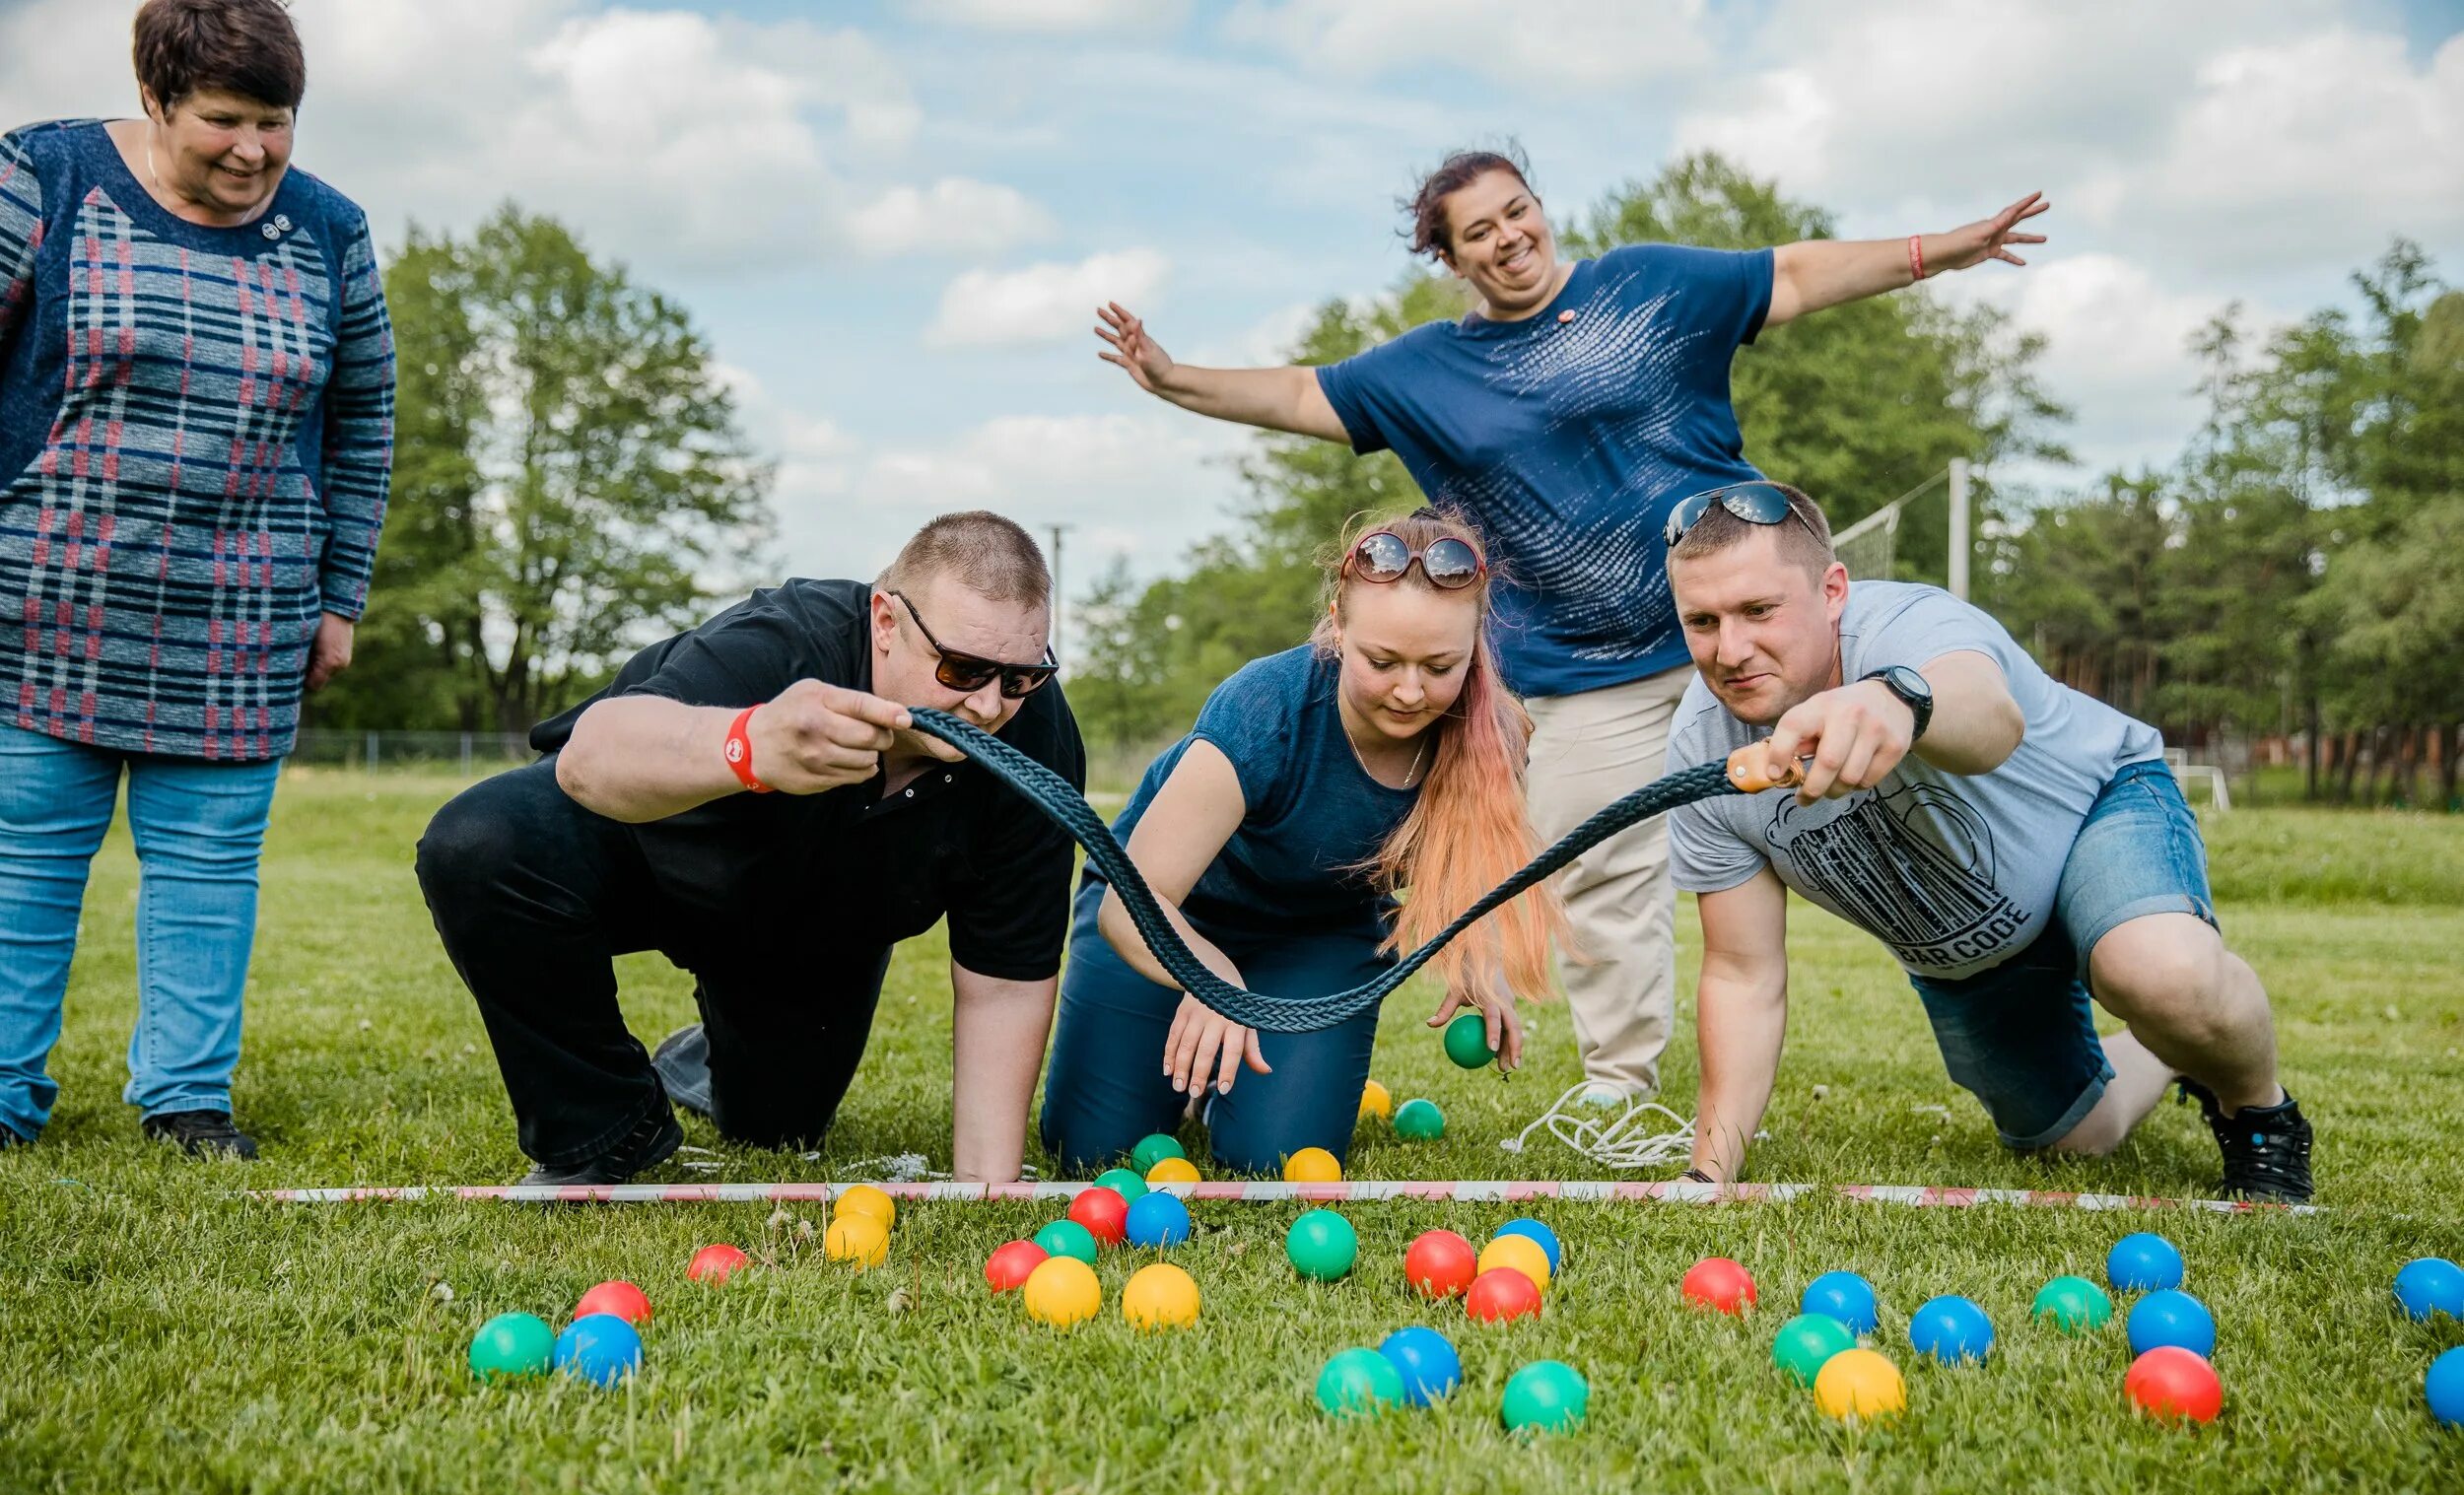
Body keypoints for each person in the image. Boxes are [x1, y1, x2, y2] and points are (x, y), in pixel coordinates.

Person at [1095, 147, 2047, 1116]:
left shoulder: (1652, 285)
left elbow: (1794, 275)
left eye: (1516, 212)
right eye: (1478, 232)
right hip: (1591, 676)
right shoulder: (1425, 370)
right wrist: (1174, 379)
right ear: (1452, 259)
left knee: (1895, 768)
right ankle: (1617, 1088)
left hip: (1743, 632)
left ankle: (2045, 906)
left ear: (1539, 209)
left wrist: (1940, 250)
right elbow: (1302, 393)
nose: (1508, 238)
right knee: (1597, 867)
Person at [1659, 480, 2312, 1202]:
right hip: (1974, 952)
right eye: (1703, 621)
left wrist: (1900, 700)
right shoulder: (1701, 756)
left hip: (2098, 810)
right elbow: (1743, 975)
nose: (1731, 649)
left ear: (1833, 590)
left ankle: (2259, 1109)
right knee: (2078, 1135)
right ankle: (2176, 1047)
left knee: (2159, 971)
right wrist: (1709, 1171)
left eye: (1758, 610)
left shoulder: (1910, 627)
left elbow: (1989, 717)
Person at [0, 0, 394, 1157]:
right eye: (223, 119)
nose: (253, 150)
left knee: (210, 872)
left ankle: (185, 1101)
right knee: (22, 865)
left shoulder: (330, 229)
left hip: (243, 615)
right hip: (43, 599)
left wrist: (338, 597)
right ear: (158, 98)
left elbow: (362, 418)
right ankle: (4, 1094)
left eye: (275, 123)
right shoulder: (44, 173)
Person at [416, 511, 1083, 1187]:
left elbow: (1004, 981)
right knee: (479, 843)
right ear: (886, 622)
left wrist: (986, 1188)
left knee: (777, 1126)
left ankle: (702, 1056)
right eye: (963, 668)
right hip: (648, 852)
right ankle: (605, 1128)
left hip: (811, 931)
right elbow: (589, 759)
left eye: (1023, 677)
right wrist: (751, 743)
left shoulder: (1035, 747)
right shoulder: (788, 640)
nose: (992, 706)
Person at [1040, 509, 1561, 1175]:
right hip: (1167, 914)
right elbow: (1129, 904)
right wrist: (1215, 980)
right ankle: (1193, 1061)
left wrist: (1478, 959)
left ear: (1474, 647)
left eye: (1439, 665)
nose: (1409, 690)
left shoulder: (1494, 736)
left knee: (1275, 1161)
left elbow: (1468, 861)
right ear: (1339, 630)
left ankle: (1225, 1088)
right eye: (1383, 660)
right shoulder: (1263, 710)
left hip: (1317, 936)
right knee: (1090, 1154)